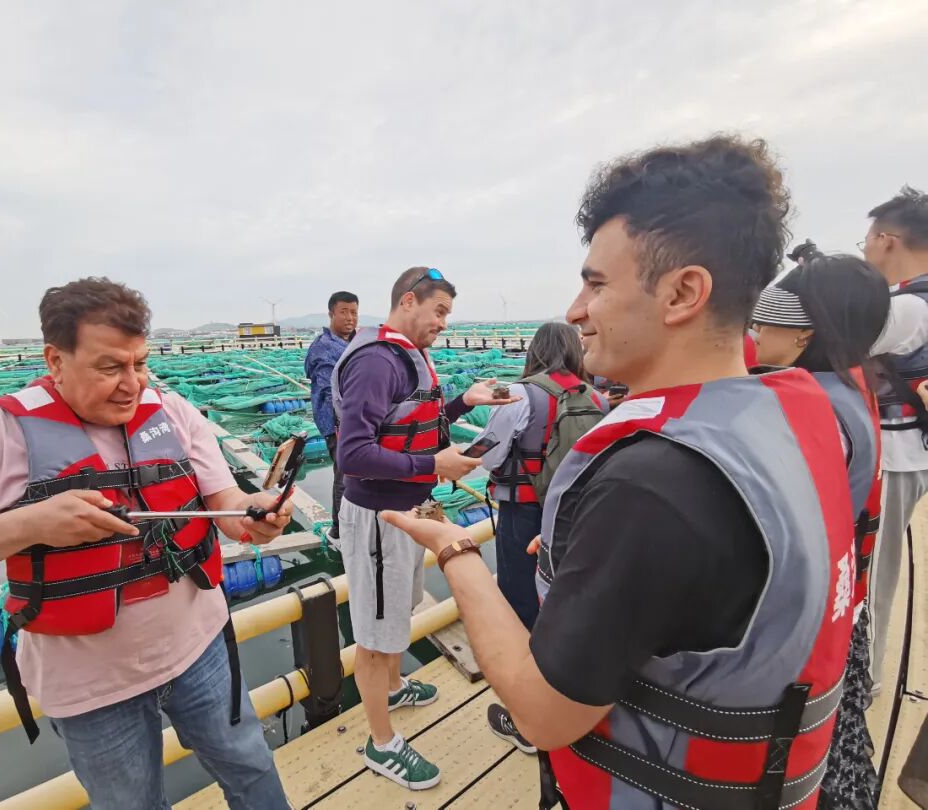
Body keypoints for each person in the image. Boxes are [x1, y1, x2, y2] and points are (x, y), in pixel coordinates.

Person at [382, 136, 857, 810]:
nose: (576, 310)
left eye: (596, 283)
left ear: (683, 292)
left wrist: (454, 550)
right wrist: (605, 552)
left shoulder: (650, 485)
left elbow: (543, 716)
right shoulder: (790, 422)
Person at [0, 278, 291, 810]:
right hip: (93, 691)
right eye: (109, 368)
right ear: (55, 361)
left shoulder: (172, 411)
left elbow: (226, 504)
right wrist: (27, 524)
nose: (131, 384)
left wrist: (255, 517)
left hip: (201, 648)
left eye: (140, 363)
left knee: (250, 764)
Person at [331, 266, 515, 791]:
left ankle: (393, 688)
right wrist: (434, 465)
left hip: (408, 510)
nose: (443, 323)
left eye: (447, 314)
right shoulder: (375, 361)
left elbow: (412, 423)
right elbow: (352, 454)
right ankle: (381, 743)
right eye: (439, 311)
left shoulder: (407, 356)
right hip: (378, 516)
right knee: (374, 634)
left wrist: (464, 403)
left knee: (397, 611)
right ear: (408, 301)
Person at [751, 254, 890, 809]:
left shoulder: (815, 409)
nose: (755, 333)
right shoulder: (850, 389)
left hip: (811, 626)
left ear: (805, 332)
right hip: (842, 601)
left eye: (767, 321)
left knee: (815, 764)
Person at [474, 322, 606, 752]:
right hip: (579, 515)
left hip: (525, 513)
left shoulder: (518, 394)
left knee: (520, 603)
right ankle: (565, 697)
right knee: (565, 598)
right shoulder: (597, 398)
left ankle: (527, 718)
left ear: (534, 351)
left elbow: (487, 454)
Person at [860, 186, 928, 687]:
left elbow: (830, 340)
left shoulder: (907, 308)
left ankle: (865, 680)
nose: (865, 250)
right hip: (907, 451)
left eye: (866, 241)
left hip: (894, 453)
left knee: (874, 571)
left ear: (886, 240)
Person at [304, 290, 359, 538]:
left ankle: (357, 524)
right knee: (344, 474)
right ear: (331, 314)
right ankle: (339, 530)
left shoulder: (356, 341)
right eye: (343, 312)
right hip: (337, 423)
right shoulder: (324, 348)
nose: (350, 318)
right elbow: (329, 392)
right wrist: (345, 422)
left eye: (354, 312)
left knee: (358, 474)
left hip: (359, 420)